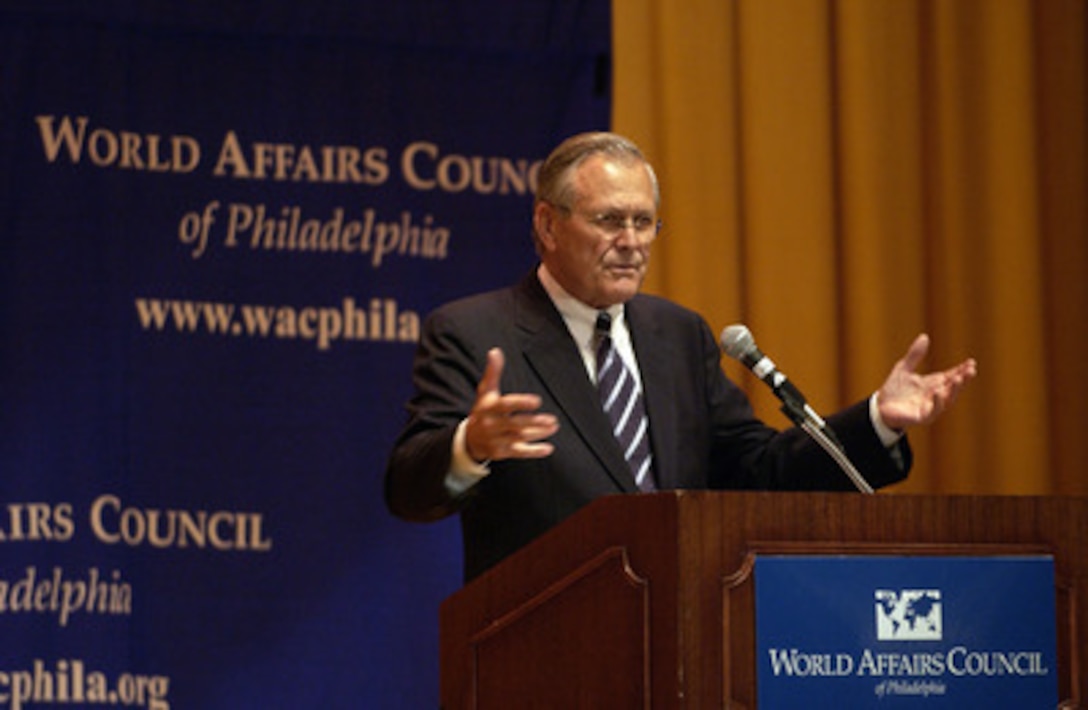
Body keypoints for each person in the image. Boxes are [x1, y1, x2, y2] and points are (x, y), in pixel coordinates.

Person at [384, 131, 977, 582]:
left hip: (682, 637)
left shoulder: (677, 334)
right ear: (548, 224)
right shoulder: (474, 331)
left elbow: (760, 472)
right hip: (546, 651)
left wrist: (879, 420)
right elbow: (409, 488)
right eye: (609, 220)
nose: (632, 242)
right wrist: (470, 445)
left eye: (645, 223)